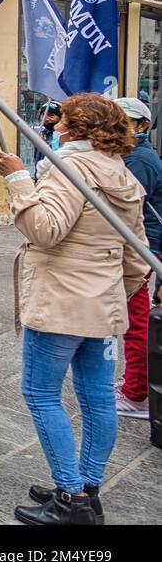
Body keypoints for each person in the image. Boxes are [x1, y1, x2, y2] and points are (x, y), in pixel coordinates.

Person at [0, 93, 147, 525]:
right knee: (97, 397)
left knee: (41, 394)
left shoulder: (68, 169)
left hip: (61, 303)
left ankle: (71, 498)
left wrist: (19, 178)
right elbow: (137, 256)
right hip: (100, 306)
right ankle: (87, 487)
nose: (53, 120)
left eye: (60, 116)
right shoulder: (121, 174)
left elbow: (45, 231)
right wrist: (109, 291)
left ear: (75, 127)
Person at [114, 96, 161, 420]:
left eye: (125, 121)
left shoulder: (140, 160)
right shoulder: (133, 155)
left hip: (141, 247)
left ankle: (137, 394)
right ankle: (135, 385)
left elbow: (125, 208)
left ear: (142, 126)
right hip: (137, 245)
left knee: (136, 319)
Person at [33, 100, 62, 168]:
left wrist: (44, 146)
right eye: (43, 114)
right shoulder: (42, 133)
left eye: (51, 115)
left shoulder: (62, 135)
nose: (46, 119)